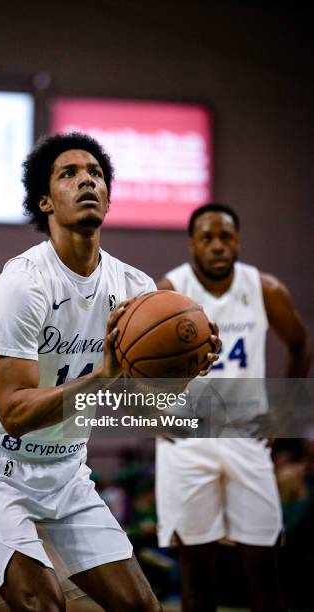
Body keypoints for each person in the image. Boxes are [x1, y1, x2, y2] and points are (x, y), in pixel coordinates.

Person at [0, 133, 220, 611]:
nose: (86, 180)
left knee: (142, 608)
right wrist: (103, 376)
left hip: (67, 470)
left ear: (109, 197)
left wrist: (184, 372)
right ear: (46, 201)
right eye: (68, 174)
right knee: (44, 604)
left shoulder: (136, 289)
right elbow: (13, 412)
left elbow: (144, 406)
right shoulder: (23, 283)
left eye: (95, 173)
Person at [155, 202, 312, 612]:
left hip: (247, 436)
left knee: (262, 564)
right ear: (192, 243)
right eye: (207, 237)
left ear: (238, 240)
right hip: (188, 440)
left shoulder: (265, 289)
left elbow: (299, 344)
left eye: (226, 236)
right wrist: (155, 412)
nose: (218, 245)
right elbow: (138, 360)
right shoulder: (170, 290)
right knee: (197, 567)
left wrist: (282, 412)